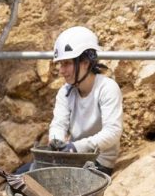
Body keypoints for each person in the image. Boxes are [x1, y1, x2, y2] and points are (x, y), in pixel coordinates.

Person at [48, 26, 123, 176]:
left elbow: (113, 132)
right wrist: (56, 140)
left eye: (67, 63)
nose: (61, 70)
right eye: (60, 64)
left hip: (99, 162)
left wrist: (75, 147)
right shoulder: (65, 91)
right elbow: (59, 124)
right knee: (23, 175)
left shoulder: (107, 88)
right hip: (73, 157)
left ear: (86, 63)